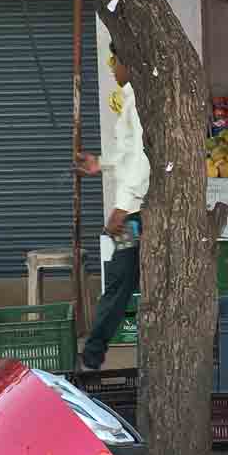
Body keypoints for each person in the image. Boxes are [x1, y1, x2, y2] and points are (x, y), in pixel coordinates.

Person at [74, 53, 150, 371]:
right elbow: (127, 154)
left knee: (120, 278)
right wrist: (100, 163)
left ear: (128, 62)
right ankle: (94, 352)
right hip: (131, 210)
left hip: (135, 214)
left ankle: (93, 354)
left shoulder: (139, 101)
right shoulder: (130, 96)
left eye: (115, 64)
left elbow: (143, 157)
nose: (113, 71)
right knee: (124, 279)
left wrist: (123, 206)